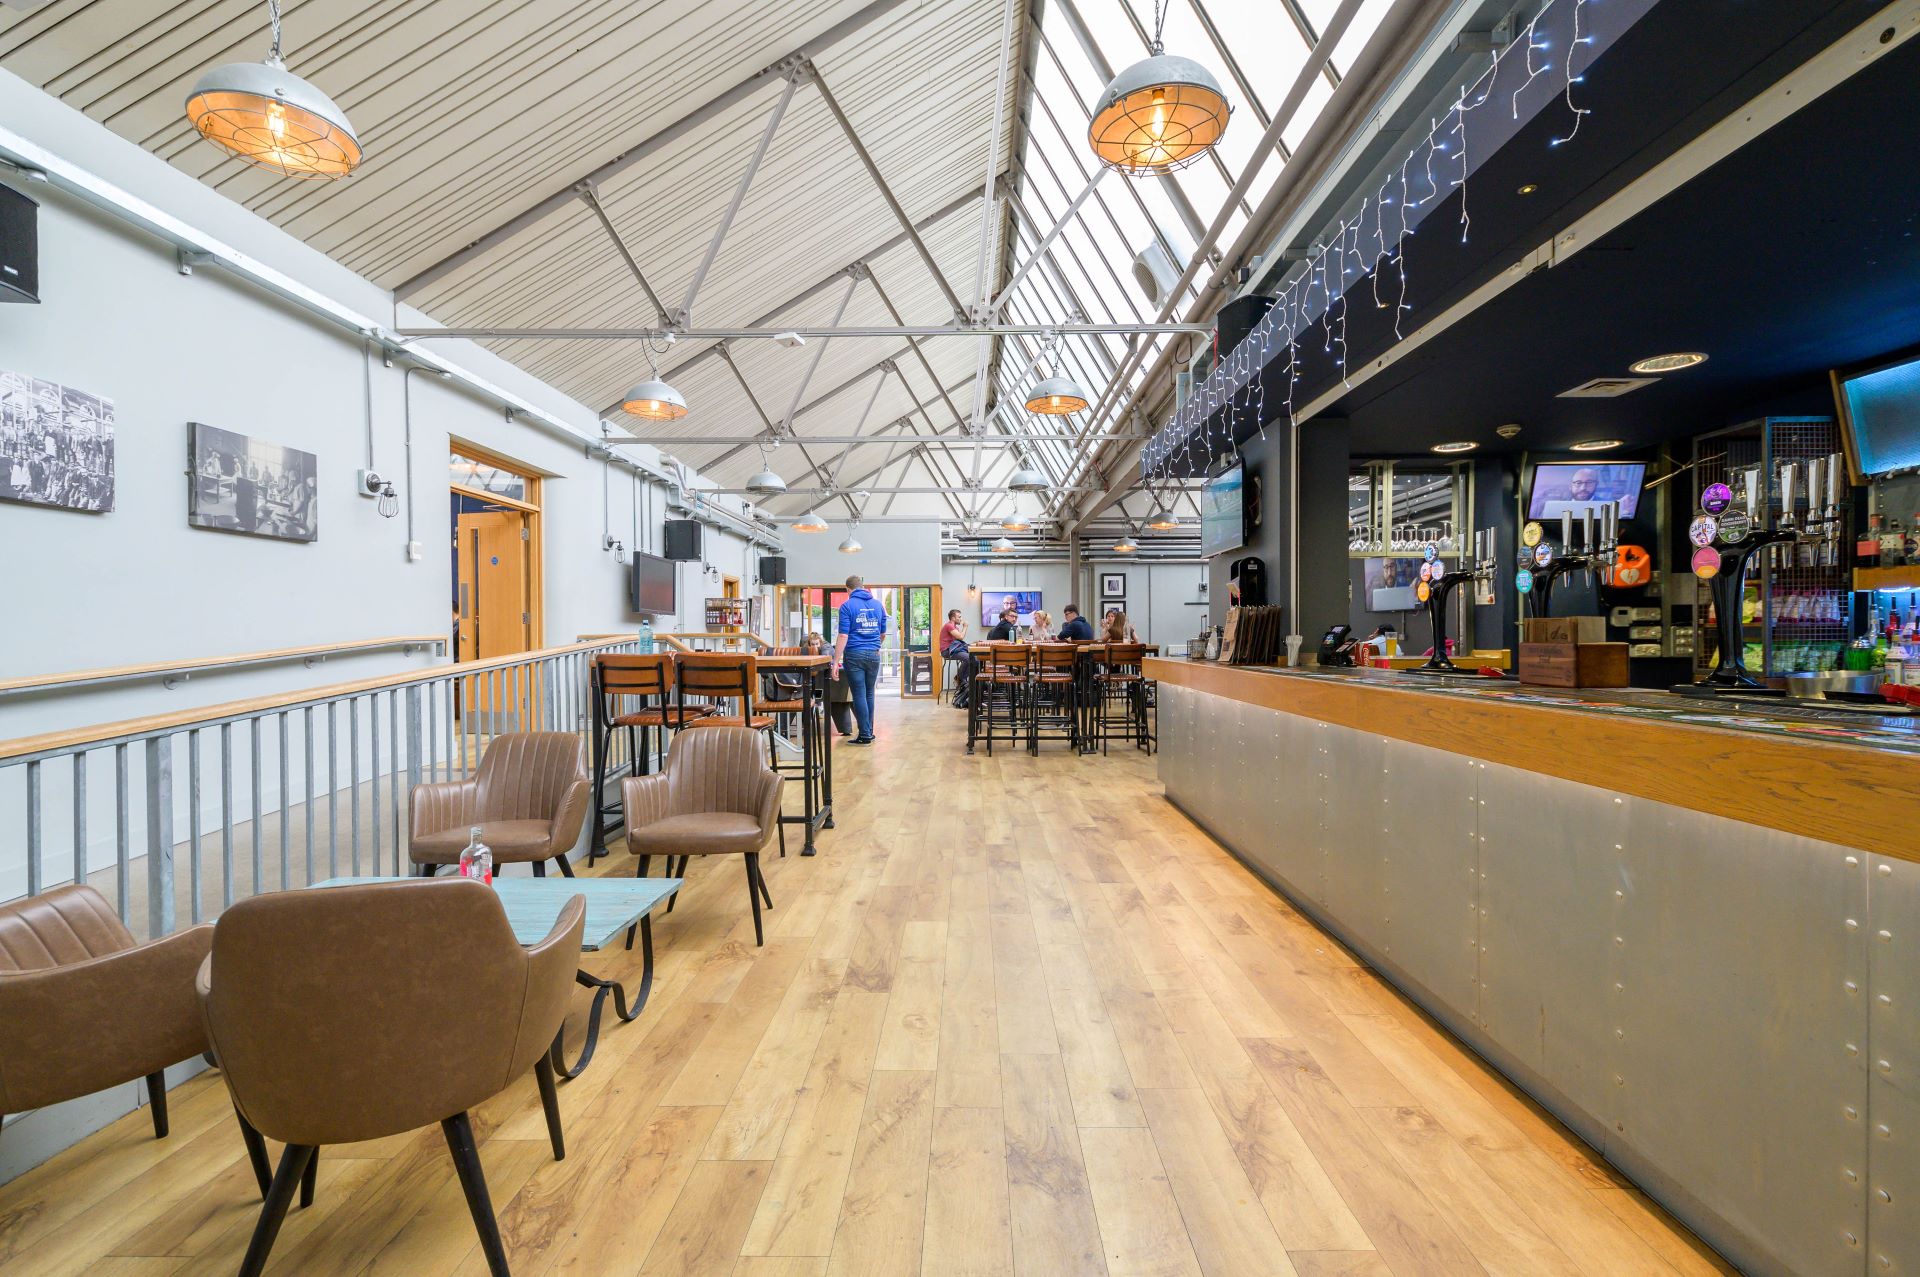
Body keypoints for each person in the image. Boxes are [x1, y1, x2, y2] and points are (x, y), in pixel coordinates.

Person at [832, 575, 888, 745]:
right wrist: (875, 647)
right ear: (863, 587)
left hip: (854, 654)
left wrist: (836, 661)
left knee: (859, 694)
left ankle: (864, 735)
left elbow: (843, 635)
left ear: (848, 589)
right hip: (873, 654)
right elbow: (883, 633)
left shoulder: (847, 606)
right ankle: (868, 731)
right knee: (869, 693)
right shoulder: (878, 605)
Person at [939, 608, 976, 708]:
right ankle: (961, 679)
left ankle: (960, 678)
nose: (961, 619)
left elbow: (958, 640)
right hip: (947, 651)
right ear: (953, 618)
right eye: (959, 617)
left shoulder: (954, 627)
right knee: (969, 658)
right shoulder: (949, 626)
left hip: (954, 649)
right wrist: (965, 627)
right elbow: (960, 637)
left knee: (973, 657)